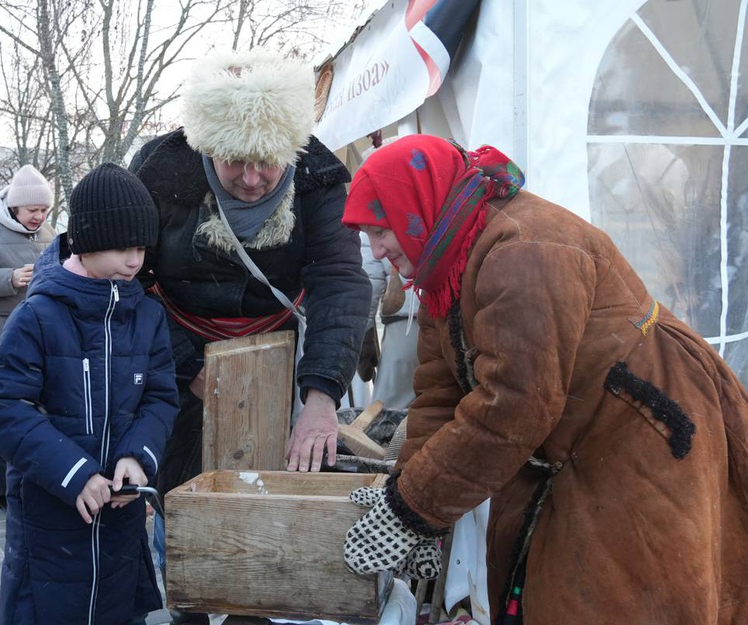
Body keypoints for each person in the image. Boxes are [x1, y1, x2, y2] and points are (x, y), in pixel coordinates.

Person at [339, 134, 748, 623]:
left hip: (645, 427)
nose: (377, 249)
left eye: (380, 231)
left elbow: (513, 406)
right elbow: (439, 395)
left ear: (416, 206)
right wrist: (412, 495)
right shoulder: (444, 267)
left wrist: (414, 508)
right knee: (540, 589)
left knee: (626, 597)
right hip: (566, 436)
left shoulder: (524, 251)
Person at [129, 50, 369, 610]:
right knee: (179, 487)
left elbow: (340, 281)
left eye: (268, 161)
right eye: (235, 161)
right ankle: (185, 593)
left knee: (269, 479)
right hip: (177, 349)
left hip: (278, 355)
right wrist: (185, 367)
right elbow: (130, 283)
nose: (253, 178)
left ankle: (257, 604)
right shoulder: (160, 168)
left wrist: (322, 394)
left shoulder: (320, 176)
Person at [0, 163, 179, 624]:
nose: (135, 260)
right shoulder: (38, 315)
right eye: (123, 248)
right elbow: (5, 405)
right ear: (87, 243)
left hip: (120, 519)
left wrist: (138, 456)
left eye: (141, 248)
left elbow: (160, 397)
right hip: (51, 515)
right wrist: (73, 473)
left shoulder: (146, 315)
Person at [0, 164, 56, 510]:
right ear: (15, 206)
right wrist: (10, 278)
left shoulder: (46, 231)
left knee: (32, 414)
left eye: (44, 210)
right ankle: (0, 487)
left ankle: (30, 476)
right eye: (33, 209)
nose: (39, 216)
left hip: (37, 339)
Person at [359, 230, 420, 410]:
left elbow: (370, 276)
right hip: (435, 315)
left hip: (406, 325)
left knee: (388, 410)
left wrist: (365, 331)